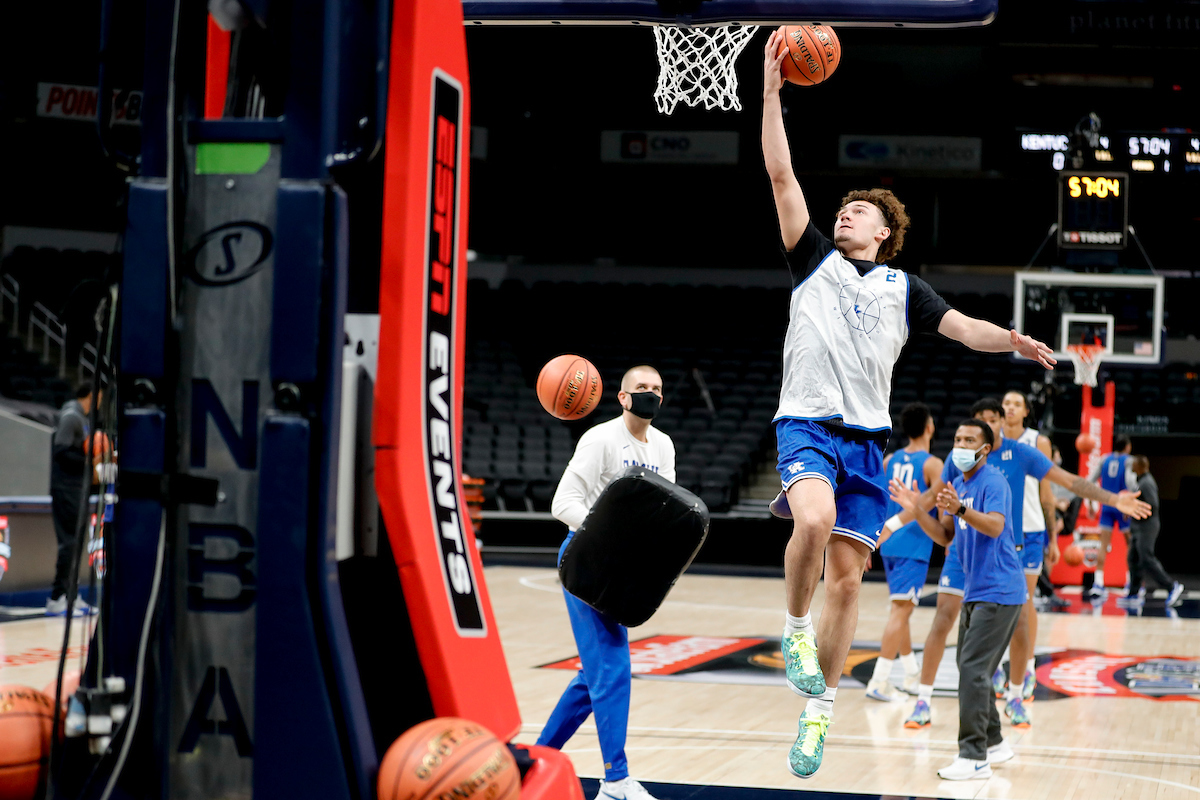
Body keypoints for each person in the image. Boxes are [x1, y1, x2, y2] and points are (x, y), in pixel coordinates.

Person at [760, 28, 1057, 779]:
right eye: (844, 209)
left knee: (848, 580)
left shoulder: (904, 289)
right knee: (812, 521)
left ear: (885, 231)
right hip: (807, 424)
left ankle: (819, 713)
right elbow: (781, 175)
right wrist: (770, 95)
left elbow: (964, 329)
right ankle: (794, 628)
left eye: (859, 211)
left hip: (866, 441)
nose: (845, 215)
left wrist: (1014, 340)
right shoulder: (813, 262)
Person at [892, 398, 1150, 730]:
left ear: (1000, 424)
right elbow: (928, 503)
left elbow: (1069, 481)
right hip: (963, 551)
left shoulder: (1019, 455)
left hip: (1004, 551)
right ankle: (924, 700)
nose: (985, 424)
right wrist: (887, 528)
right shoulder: (959, 463)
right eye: (977, 420)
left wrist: (1113, 500)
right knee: (943, 620)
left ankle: (1015, 695)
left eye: (992, 418)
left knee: (1019, 623)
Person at [540, 365, 675, 800]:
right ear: (622, 397)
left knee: (594, 673)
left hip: (622, 563)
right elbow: (563, 503)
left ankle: (537, 759)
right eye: (642, 388)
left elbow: (663, 510)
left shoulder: (663, 445)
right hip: (585, 560)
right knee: (614, 666)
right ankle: (615, 780)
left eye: (656, 388)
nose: (650, 393)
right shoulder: (600, 439)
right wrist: (609, 537)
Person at [889, 419, 1022, 781]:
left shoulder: (993, 481)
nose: (960, 445)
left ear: (985, 449)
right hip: (977, 590)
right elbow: (946, 536)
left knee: (974, 670)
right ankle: (994, 742)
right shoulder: (958, 486)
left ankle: (973, 755)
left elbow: (995, 526)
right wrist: (918, 509)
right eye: (958, 439)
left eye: (969, 440)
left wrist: (961, 509)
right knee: (970, 667)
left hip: (1001, 589)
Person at [866, 403, 943, 702]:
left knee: (903, 608)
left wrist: (872, 539)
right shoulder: (932, 464)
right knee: (901, 610)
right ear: (929, 427)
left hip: (888, 543)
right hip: (913, 543)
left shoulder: (890, 460)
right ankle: (879, 680)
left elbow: (877, 502)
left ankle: (911, 673)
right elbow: (934, 502)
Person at [991, 391, 1059, 711]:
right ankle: (995, 666)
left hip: (1031, 530)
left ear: (1026, 411)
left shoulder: (1038, 442)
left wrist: (1053, 538)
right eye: (1006, 403)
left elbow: (1046, 492)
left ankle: (1027, 668)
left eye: (1016, 404)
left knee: (1025, 601)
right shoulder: (991, 440)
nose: (1010, 408)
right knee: (995, 599)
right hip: (998, 529)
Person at [48, 383, 102, 616]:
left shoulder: (83, 419)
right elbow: (60, 451)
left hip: (78, 489)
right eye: (99, 397)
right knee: (69, 543)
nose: (100, 402)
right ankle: (57, 597)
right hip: (66, 489)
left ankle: (71, 595)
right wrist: (89, 460)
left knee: (77, 544)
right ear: (91, 396)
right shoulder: (71, 416)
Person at [1122, 456, 1184, 608]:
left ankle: (1172, 586)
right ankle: (1133, 593)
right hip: (1138, 527)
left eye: (1134, 464)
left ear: (1141, 466)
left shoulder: (1147, 482)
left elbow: (1153, 505)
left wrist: (1135, 507)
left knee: (1146, 558)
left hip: (1147, 527)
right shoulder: (1140, 481)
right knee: (1133, 558)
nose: (1132, 466)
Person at [1088, 435, 1136, 601]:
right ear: (1127, 446)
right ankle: (1131, 582)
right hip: (1122, 506)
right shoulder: (1129, 460)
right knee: (1130, 545)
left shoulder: (1104, 459)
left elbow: (1090, 481)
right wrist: (1132, 501)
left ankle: (1098, 583)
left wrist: (1090, 503)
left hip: (1106, 506)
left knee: (1103, 545)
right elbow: (1130, 482)